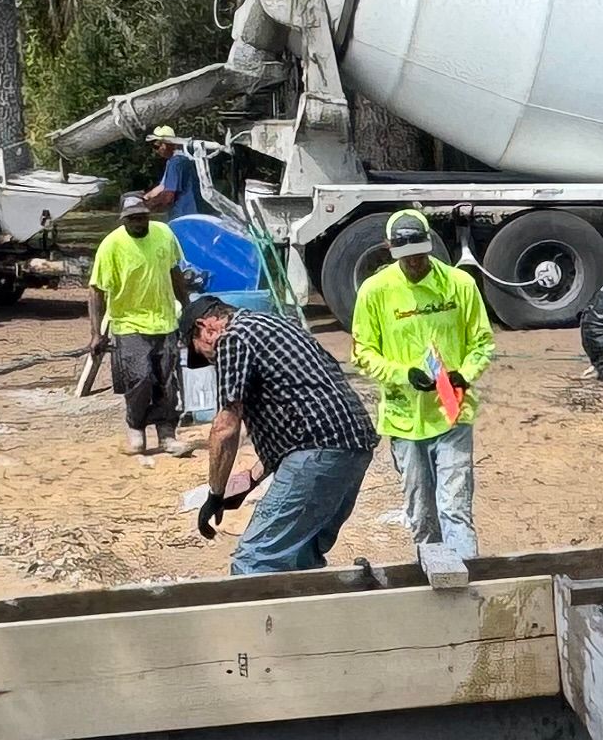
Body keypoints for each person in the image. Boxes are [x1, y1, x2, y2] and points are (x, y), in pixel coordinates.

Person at [182, 286, 376, 575]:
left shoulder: (232, 338)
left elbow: (226, 426)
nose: (210, 361)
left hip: (319, 450)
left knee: (254, 562)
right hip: (353, 445)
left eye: (202, 352)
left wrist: (215, 492)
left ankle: (257, 621)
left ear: (205, 328)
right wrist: (251, 479)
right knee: (301, 556)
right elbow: (302, 412)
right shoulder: (276, 324)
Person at [349, 207, 492, 566]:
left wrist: (465, 372)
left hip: (452, 413)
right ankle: (432, 573)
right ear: (390, 250)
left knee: (455, 506)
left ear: (429, 246)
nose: (413, 262)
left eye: (419, 254)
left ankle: (464, 578)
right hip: (404, 418)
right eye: (405, 256)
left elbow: (483, 342)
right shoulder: (375, 292)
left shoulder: (459, 285)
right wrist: (402, 373)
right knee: (422, 512)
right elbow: (362, 351)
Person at [84, 191, 191, 459]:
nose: (138, 223)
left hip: (164, 319)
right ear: (123, 220)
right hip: (129, 323)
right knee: (140, 377)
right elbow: (95, 290)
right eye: (131, 219)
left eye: (141, 217)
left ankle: (167, 434)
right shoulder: (111, 246)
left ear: (148, 216)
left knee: (167, 381)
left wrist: (188, 309)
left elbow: (174, 272)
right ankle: (136, 429)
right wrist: (96, 333)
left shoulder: (164, 234)